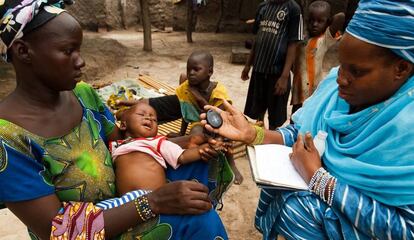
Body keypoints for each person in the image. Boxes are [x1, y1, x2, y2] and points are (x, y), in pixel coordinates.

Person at [0, 1, 227, 239]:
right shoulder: (8, 138)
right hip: (85, 231)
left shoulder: (82, 94)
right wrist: (153, 202)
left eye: (79, 50)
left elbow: (124, 143)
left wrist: (186, 142)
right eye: (68, 51)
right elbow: (57, 229)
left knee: (201, 165)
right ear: (23, 51)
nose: (80, 61)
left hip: (122, 198)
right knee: (199, 218)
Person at [202, 0, 414, 239]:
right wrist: (253, 134)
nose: (340, 79)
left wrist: (318, 179)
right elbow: (301, 133)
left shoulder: (407, 128)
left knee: (300, 209)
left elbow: (406, 229)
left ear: (401, 69)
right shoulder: (336, 94)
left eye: (356, 71)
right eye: (341, 65)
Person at [126, 50, 244, 185]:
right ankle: (193, 169)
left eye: (196, 69)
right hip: (198, 122)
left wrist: (197, 96)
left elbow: (216, 115)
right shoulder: (187, 88)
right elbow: (185, 110)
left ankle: (231, 163)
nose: (191, 73)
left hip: (221, 124)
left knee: (227, 139)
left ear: (209, 72)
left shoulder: (218, 91)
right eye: (189, 70)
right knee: (194, 137)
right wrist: (181, 133)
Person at [110, 102, 224, 192]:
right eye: (141, 114)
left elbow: (183, 156)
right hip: (124, 204)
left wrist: (206, 147)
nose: (149, 118)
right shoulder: (116, 144)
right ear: (124, 125)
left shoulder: (157, 142)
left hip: (152, 197)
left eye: (154, 119)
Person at [241, 0, 303, 130]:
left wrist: (285, 76)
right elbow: (257, 38)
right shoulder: (263, 7)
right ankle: (258, 138)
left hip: (278, 73)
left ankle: (272, 141)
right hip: (259, 69)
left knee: (275, 118)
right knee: (256, 112)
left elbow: (293, 44)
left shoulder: (293, 9)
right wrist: (248, 65)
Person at [291, 1, 345, 114]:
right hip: (299, 89)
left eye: (320, 21)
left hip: (314, 91)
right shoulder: (302, 39)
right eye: (311, 21)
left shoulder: (325, 39)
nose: (315, 24)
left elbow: (341, 16)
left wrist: (329, 23)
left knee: (309, 117)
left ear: (328, 22)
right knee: (295, 117)